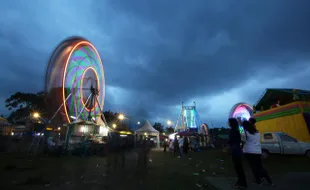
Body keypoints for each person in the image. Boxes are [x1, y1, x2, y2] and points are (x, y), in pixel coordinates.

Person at [242, 120, 273, 186]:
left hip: (248, 152)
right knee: (259, 166)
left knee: (254, 167)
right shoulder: (257, 132)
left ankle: (258, 181)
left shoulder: (245, 133)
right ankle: (268, 179)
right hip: (257, 151)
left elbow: (243, 142)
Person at [228, 118, 247, 189]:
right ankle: (240, 182)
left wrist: (228, 147)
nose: (228, 123)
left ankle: (243, 183)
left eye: (229, 122)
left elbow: (230, 141)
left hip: (235, 150)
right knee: (239, 167)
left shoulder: (232, 131)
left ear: (231, 123)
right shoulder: (237, 131)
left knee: (238, 168)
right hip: (238, 150)